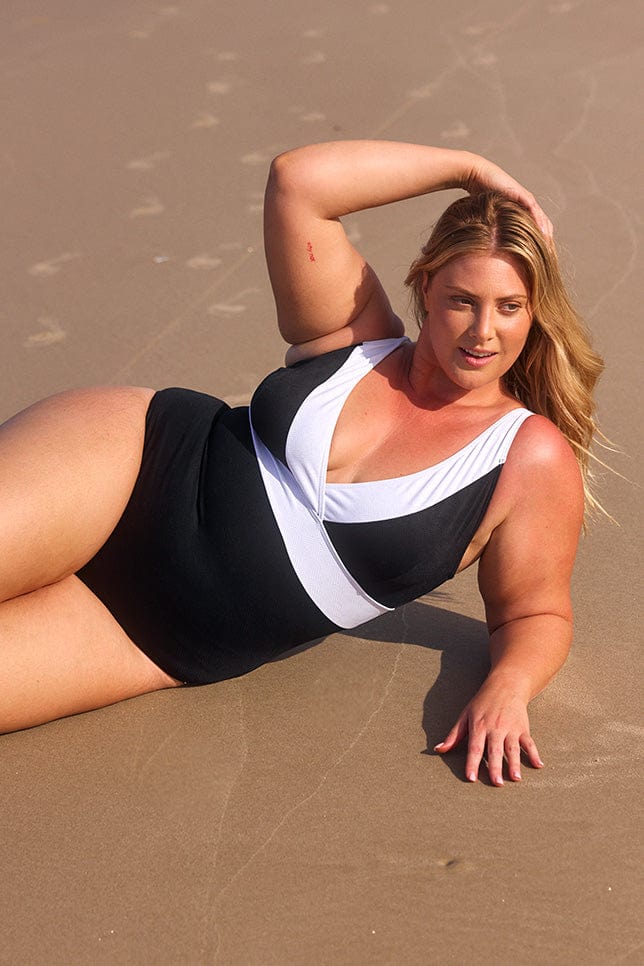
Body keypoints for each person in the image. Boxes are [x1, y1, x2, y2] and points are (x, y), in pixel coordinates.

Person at [0, 141, 604, 786]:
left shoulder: (526, 455)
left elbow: (534, 613)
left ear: (534, 311)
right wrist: (470, 171)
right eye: (462, 299)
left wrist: (508, 688)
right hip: (131, 465)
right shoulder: (356, 334)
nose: (483, 331)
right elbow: (299, 182)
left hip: (151, 637)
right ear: (426, 285)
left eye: (509, 307)